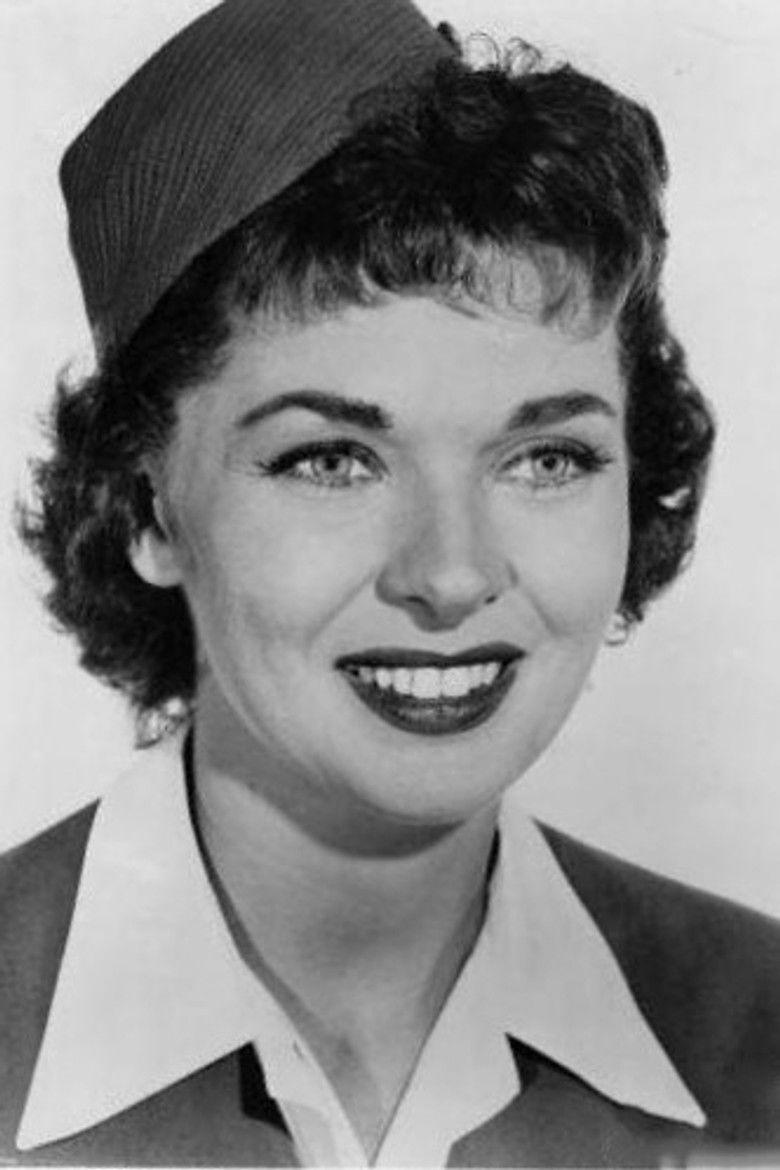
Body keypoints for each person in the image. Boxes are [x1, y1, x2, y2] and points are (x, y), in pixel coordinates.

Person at [1, 0, 779, 1165]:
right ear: (146, 505)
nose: (452, 574)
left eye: (546, 458)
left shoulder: (759, 1031)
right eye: (332, 459)